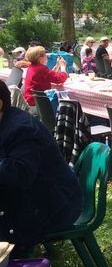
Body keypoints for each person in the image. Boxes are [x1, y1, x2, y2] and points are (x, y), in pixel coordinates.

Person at [0, 80, 83, 255]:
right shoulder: (7, 120)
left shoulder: (21, 130)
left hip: (54, 205)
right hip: (35, 196)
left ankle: (14, 263)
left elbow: (18, 175)